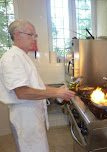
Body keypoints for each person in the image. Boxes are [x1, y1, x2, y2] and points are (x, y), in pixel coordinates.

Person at [0, 20, 75, 152]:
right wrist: (56, 94)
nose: (34, 39)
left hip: (32, 114)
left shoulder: (23, 56)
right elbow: (22, 92)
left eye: (35, 35)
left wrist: (57, 90)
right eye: (31, 35)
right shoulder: (12, 58)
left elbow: (38, 86)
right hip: (25, 117)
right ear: (17, 34)